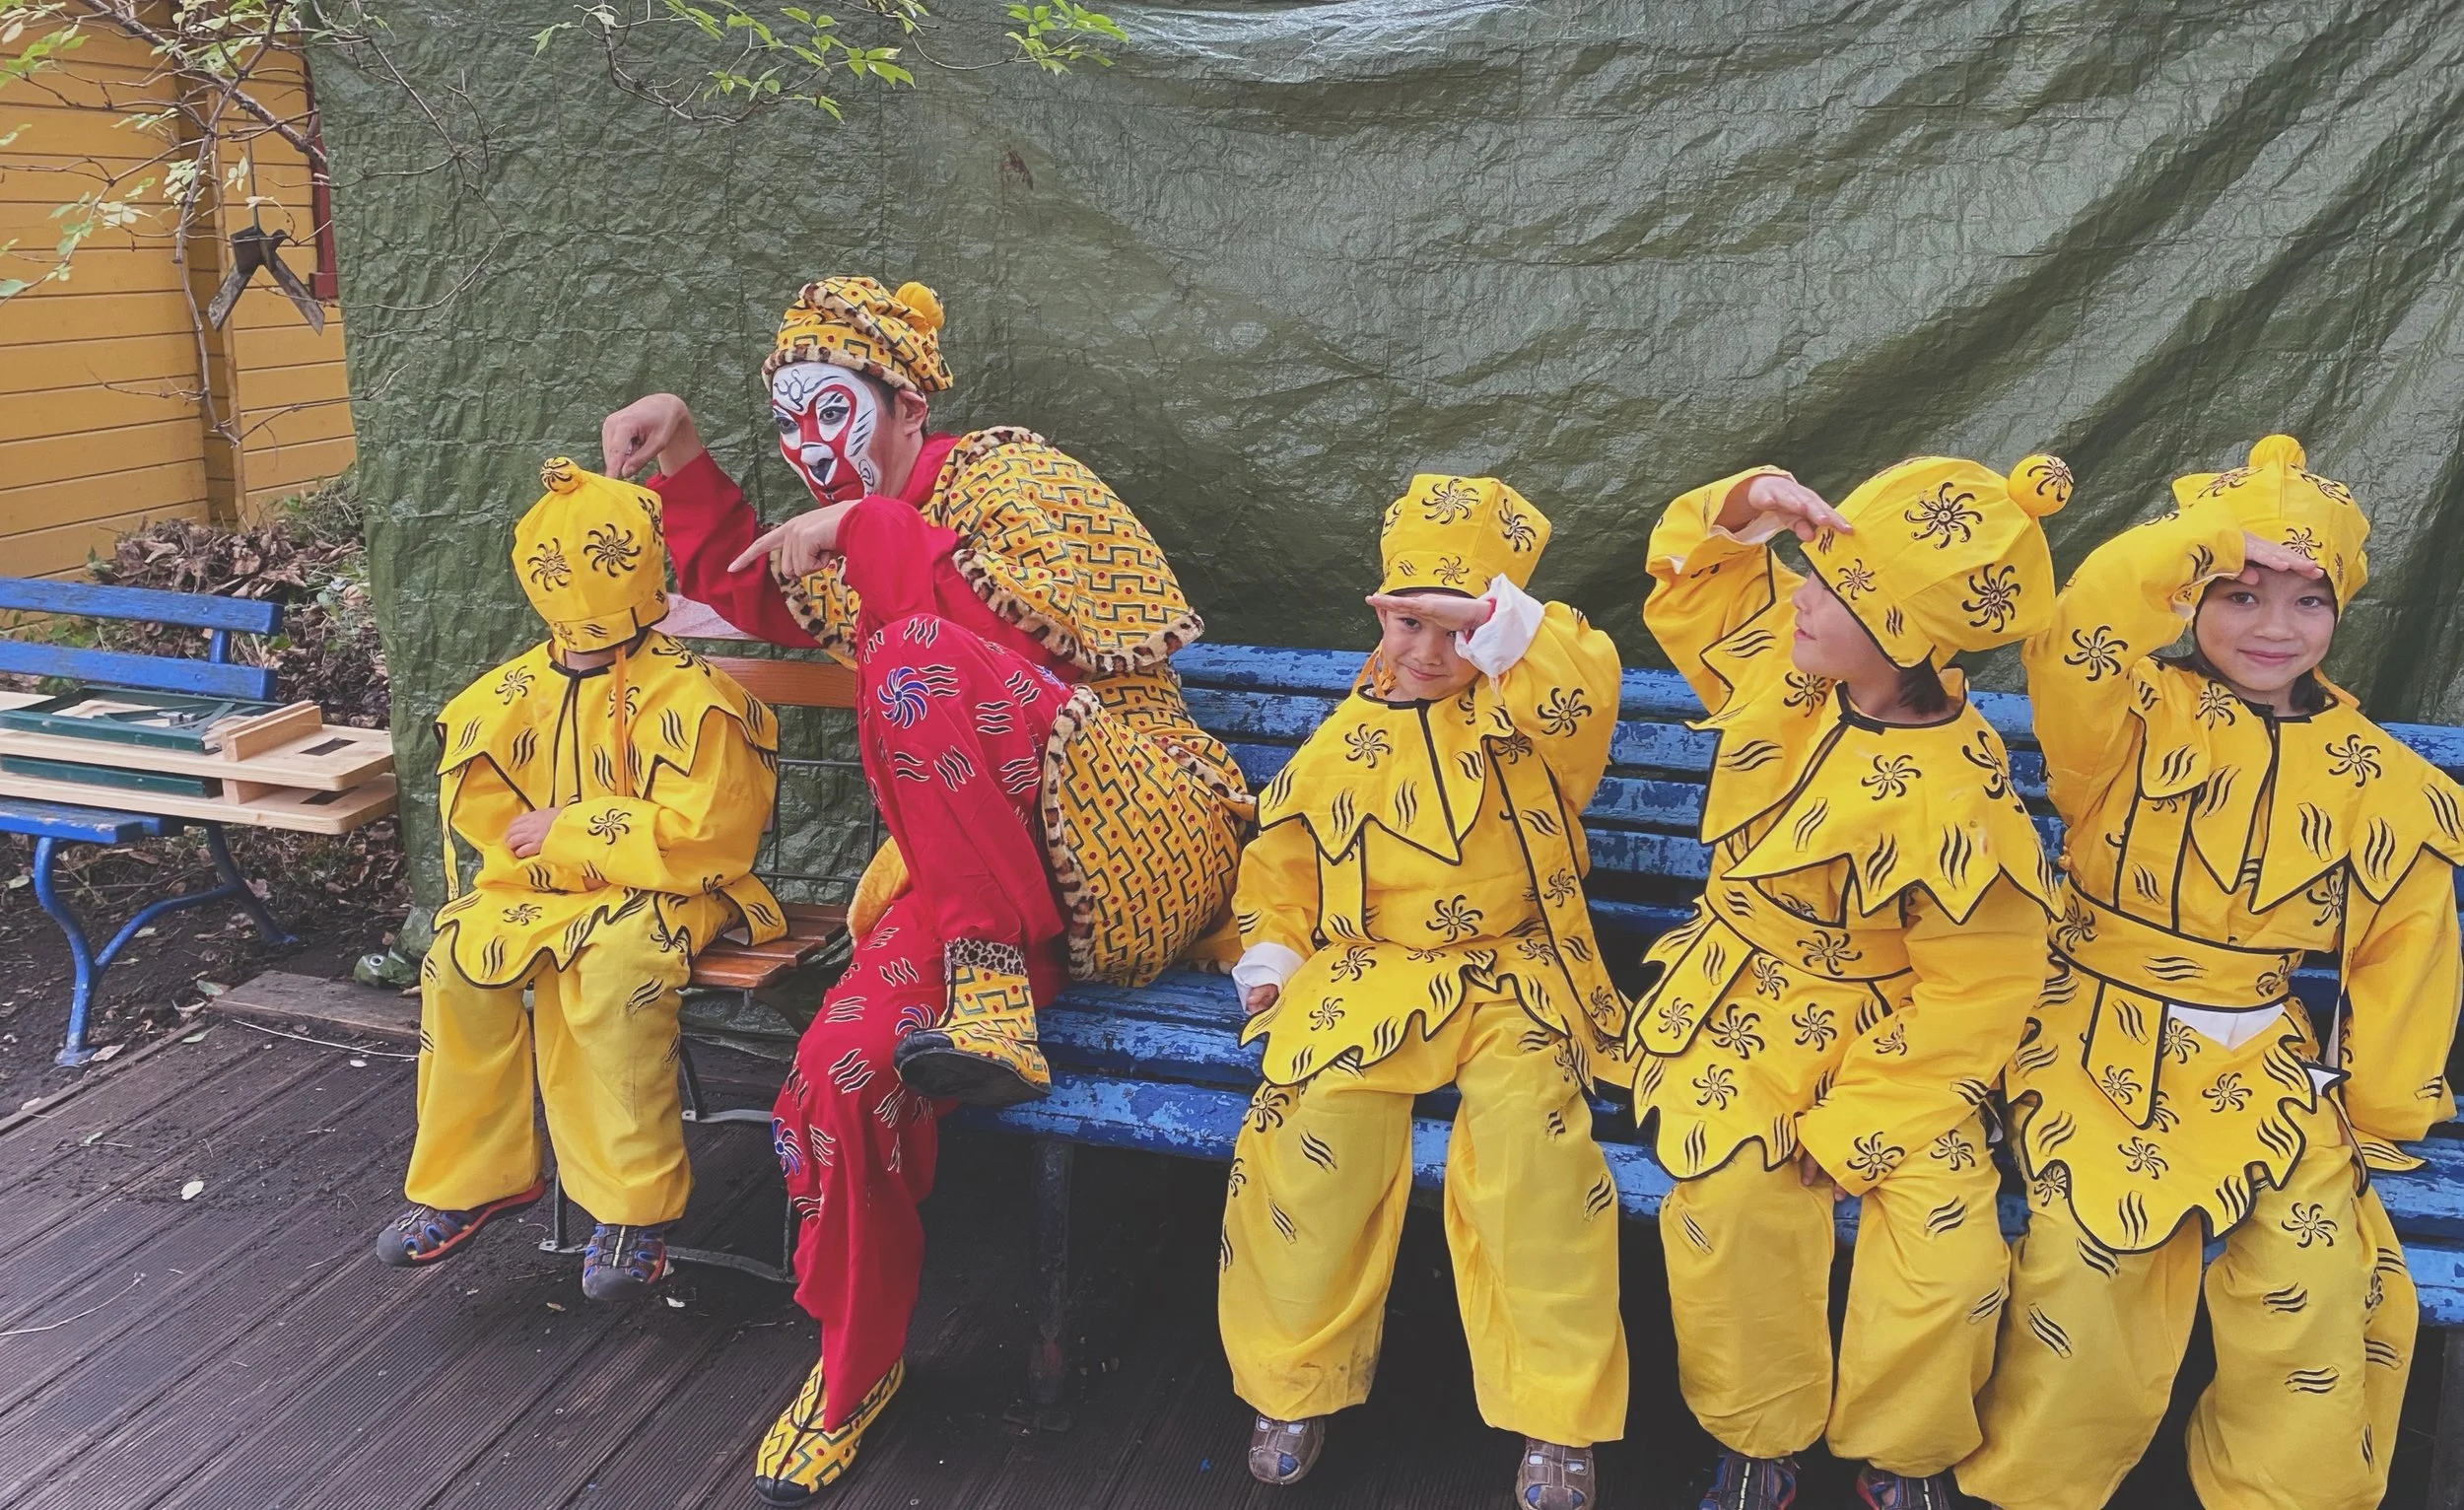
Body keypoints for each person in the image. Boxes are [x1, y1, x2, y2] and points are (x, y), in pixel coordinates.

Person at [598, 276, 1249, 1503]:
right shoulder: (854, 526)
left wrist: (867, 535)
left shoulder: (1015, 478)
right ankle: (853, 1369)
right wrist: (680, 447)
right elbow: (756, 582)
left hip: (1137, 830)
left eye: (830, 410)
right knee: (837, 1071)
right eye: (786, 422)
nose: (807, 447)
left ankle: (987, 981)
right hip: (985, 876)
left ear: (905, 404)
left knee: (905, 654)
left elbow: (1040, 640)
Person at [1957, 436, 2464, 1510]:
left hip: (2262, 1058)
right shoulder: (2123, 716)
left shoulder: (2383, 779)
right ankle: (2033, 1490)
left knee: (2320, 1277)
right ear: (2190, 593)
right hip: (2089, 1031)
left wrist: (2378, 1113)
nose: (2275, 626)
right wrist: (2204, 535)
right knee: (2089, 1258)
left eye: (2308, 599)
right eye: (2240, 593)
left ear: (2339, 610)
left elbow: (2408, 953)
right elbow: (2081, 625)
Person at [1622, 453, 2070, 1510]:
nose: (1798, 598)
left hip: (1900, 1045)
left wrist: (1858, 1123)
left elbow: (1978, 988)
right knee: (1734, 1192)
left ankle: (1901, 1453)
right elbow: (1688, 580)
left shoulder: (1962, 792)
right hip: (1736, 1003)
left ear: (1902, 633)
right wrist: (1748, 504)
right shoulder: (1785, 671)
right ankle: (1757, 1435)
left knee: (1952, 1252)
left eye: (1828, 588)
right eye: (1808, 575)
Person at [1220, 475, 1629, 1510]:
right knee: (1314, 1126)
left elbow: (1582, 690)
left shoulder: (1526, 708)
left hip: (1514, 970)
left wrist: (1500, 626)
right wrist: (1272, 957)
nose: (1430, 651)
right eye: (1410, 623)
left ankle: (1557, 1413)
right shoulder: (1344, 733)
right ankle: (1293, 1380)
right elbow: (1282, 863)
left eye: (1456, 628)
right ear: (1378, 613)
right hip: (1371, 972)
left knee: (1534, 1147)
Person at [376, 457, 786, 1301]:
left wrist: (571, 829)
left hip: (678, 892)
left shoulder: (697, 698)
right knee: (455, 958)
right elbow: (492, 820)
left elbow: (713, 839)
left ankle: (633, 1211)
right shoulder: (512, 691)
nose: (586, 643)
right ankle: (476, 1179)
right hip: (546, 890)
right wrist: (550, 852)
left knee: (612, 974)